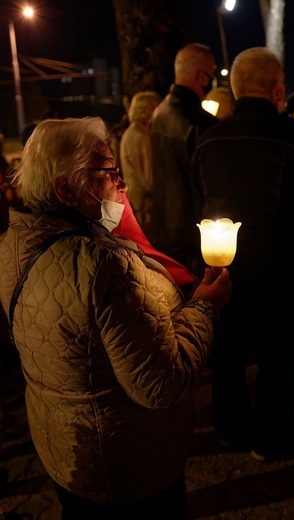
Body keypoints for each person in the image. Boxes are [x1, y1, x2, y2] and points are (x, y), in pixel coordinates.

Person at [0, 116, 231, 519]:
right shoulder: (101, 266)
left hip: (65, 445)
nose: (121, 184)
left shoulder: (13, 244)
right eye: (109, 171)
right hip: (125, 463)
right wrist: (206, 307)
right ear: (66, 188)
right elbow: (161, 382)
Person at [193, 47, 294, 462]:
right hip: (281, 271)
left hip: (223, 272)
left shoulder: (208, 140)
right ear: (277, 90)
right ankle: (271, 438)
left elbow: (196, 204)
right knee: (278, 359)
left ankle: (230, 428)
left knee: (228, 356)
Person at [150, 42, 218, 274]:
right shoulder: (202, 123)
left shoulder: (158, 113)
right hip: (194, 236)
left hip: (163, 228)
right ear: (202, 77)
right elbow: (210, 188)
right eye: (212, 75)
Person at [120, 90, 162, 240]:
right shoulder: (140, 136)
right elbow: (149, 177)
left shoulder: (131, 133)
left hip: (135, 200)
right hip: (144, 205)